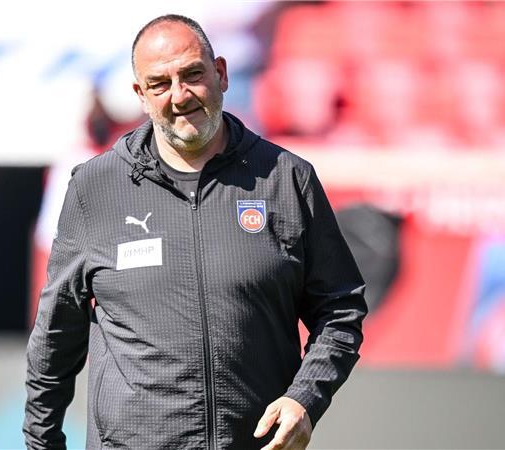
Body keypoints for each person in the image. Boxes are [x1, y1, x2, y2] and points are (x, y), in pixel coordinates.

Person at [24, 14, 367, 450]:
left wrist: (304, 400)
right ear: (141, 96)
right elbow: (56, 335)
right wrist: (42, 442)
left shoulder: (286, 179)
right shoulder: (95, 188)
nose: (179, 96)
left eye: (192, 75)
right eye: (160, 84)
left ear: (221, 73)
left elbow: (340, 310)